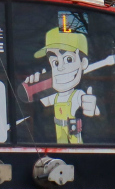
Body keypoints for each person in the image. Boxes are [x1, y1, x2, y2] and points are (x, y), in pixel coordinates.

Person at [24, 11, 100, 144]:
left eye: (69, 59)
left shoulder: (78, 95)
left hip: (74, 129)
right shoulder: (54, 96)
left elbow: (92, 107)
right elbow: (35, 101)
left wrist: (92, 107)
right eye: (55, 63)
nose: (60, 68)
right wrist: (34, 85)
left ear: (83, 63)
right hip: (58, 131)